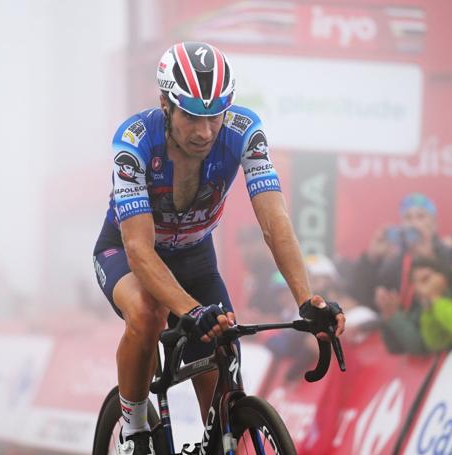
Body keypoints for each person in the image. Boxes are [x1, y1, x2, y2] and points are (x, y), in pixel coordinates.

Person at [92, 41, 345, 454]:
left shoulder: (244, 130)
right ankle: (135, 428)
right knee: (148, 312)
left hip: (195, 257)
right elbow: (138, 250)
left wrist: (306, 301)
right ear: (165, 104)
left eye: (214, 117)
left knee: (221, 376)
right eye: (192, 116)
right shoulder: (134, 140)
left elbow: (274, 223)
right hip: (125, 252)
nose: (205, 131)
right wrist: (189, 311)